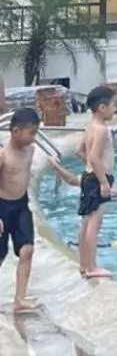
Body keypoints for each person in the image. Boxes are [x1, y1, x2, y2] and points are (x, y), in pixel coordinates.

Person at [1, 108, 81, 313]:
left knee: (27, 250)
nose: (34, 138)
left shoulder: (31, 150)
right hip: (2, 207)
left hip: (21, 205)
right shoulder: (3, 156)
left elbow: (26, 171)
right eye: (31, 133)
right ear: (16, 131)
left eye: (36, 132)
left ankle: (19, 299)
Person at [77, 85, 117, 281]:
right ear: (102, 107)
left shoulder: (89, 127)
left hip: (88, 178)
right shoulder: (102, 130)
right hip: (97, 178)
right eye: (113, 105)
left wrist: (91, 169)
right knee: (95, 223)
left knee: (86, 222)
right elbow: (94, 157)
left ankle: (84, 264)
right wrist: (103, 181)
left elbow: (81, 151)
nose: (115, 109)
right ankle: (92, 266)